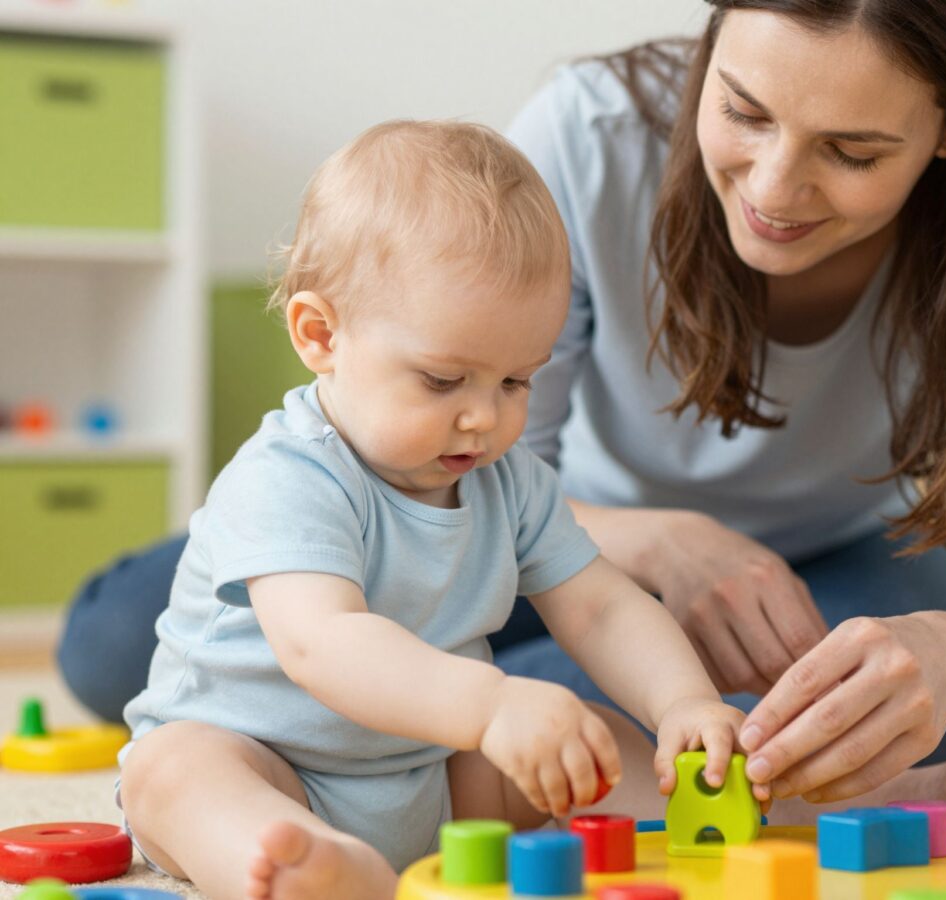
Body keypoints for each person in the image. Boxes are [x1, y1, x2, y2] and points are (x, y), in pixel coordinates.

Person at [59, 0, 946, 826]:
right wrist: (654, 549)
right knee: (141, 647)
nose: (774, 189)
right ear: (710, 44)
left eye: (852, 152)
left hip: (820, 573)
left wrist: (941, 655)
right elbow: (490, 467)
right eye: (742, 110)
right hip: (525, 518)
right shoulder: (590, 136)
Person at [116, 120, 754, 900]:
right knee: (173, 771)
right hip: (271, 764)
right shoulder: (286, 477)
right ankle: (306, 866)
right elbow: (323, 644)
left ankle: (729, 819)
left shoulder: (509, 481)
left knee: (591, 737)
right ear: (321, 335)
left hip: (435, 775)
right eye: (444, 381)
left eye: (516, 381)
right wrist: (491, 704)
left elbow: (600, 608)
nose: (484, 417)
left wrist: (683, 701)